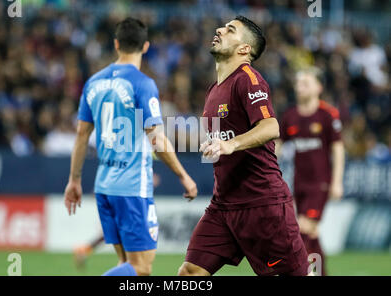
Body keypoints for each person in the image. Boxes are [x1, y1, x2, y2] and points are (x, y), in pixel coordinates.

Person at [63, 17, 197, 276]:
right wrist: (184, 176)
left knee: (125, 264)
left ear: (116, 44)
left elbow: (81, 135)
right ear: (145, 46)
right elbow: (156, 138)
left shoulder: (93, 83)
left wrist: (74, 180)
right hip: (132, 186)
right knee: (141, 268)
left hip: (105, 185)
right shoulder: (142, 84)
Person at [178, 15, 310, 276]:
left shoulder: (248, 78)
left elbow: (271, 127)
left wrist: (231, 144)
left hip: (262, 205)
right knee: (190, 273)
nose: (219, 29)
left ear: (244, 49)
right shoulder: (213, 89)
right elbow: (218, 140)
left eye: (230, 30)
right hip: (223, 205)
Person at [276, 67, 345, 275]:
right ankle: (320, 272)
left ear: (318, 87)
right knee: (311, 231)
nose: (299, 87)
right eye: (298, 83)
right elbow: (278, 145)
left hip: (320, 182)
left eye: (305, 83)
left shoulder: (327, 115)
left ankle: (303, 271)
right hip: (299, 182)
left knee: (304, 227)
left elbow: (338, 148)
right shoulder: (290, 116)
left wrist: (337, 182)